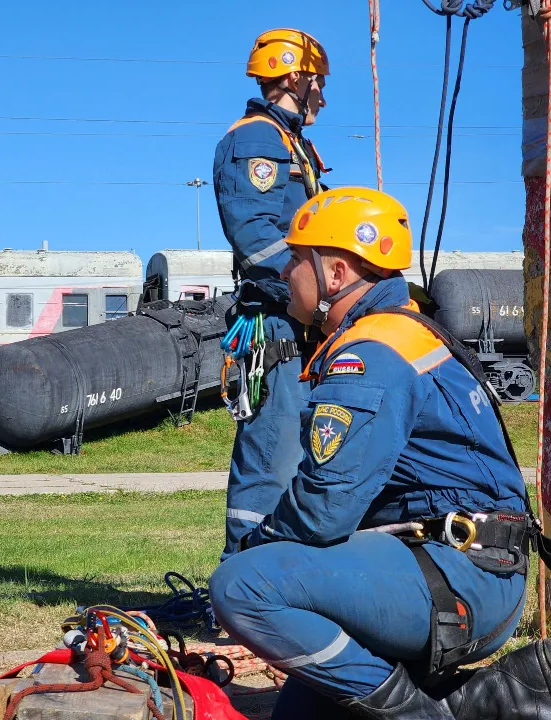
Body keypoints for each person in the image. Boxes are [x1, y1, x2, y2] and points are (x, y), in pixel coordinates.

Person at [209, 186, 551, 719]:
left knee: (243, 586)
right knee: (301, 712)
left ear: (335, 273)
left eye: (295, 257)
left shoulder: (372, 351)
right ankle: (497, 696)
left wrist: (253, 547)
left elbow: (323, 507)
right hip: (462, 566)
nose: (286, 271)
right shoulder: (397, 334)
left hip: (462, 575)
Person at [213, 28, 331, 560]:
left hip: (302, 324)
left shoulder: (291, 143)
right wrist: (314, 296)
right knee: (271, 458)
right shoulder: (258, 139)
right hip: (278, 323)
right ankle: (244, 584)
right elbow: (255, 234)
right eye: (318, 83)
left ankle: (284, 581)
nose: (322, 96)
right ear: (293, 76)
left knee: (307, 454)